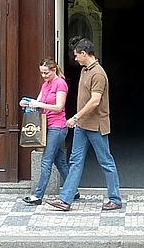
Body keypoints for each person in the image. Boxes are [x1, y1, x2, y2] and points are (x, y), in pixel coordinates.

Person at [47, 38, 122, 212]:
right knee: (75, 161)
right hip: (82, 125)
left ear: (84, 53)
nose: (75, 59)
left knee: (106, 161)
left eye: (76, 55)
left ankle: (115, 198)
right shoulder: (85, 70)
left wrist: (76, 117)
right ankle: (66, 200)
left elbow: (95, 101)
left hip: (95, 126)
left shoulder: (98, 74)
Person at [20, 59, 79, 205]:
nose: (44, 76)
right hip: (49, 126)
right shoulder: (45, 84)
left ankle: (38, 195)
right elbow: (38, 103)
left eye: (46, 73)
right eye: (41, 73)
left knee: (46, 161)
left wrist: (38, 104)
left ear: (54, 70)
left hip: (57, 127)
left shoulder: (61, 84)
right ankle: (74, 191)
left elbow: (59, 107)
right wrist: (27, 102)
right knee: (59, 162)